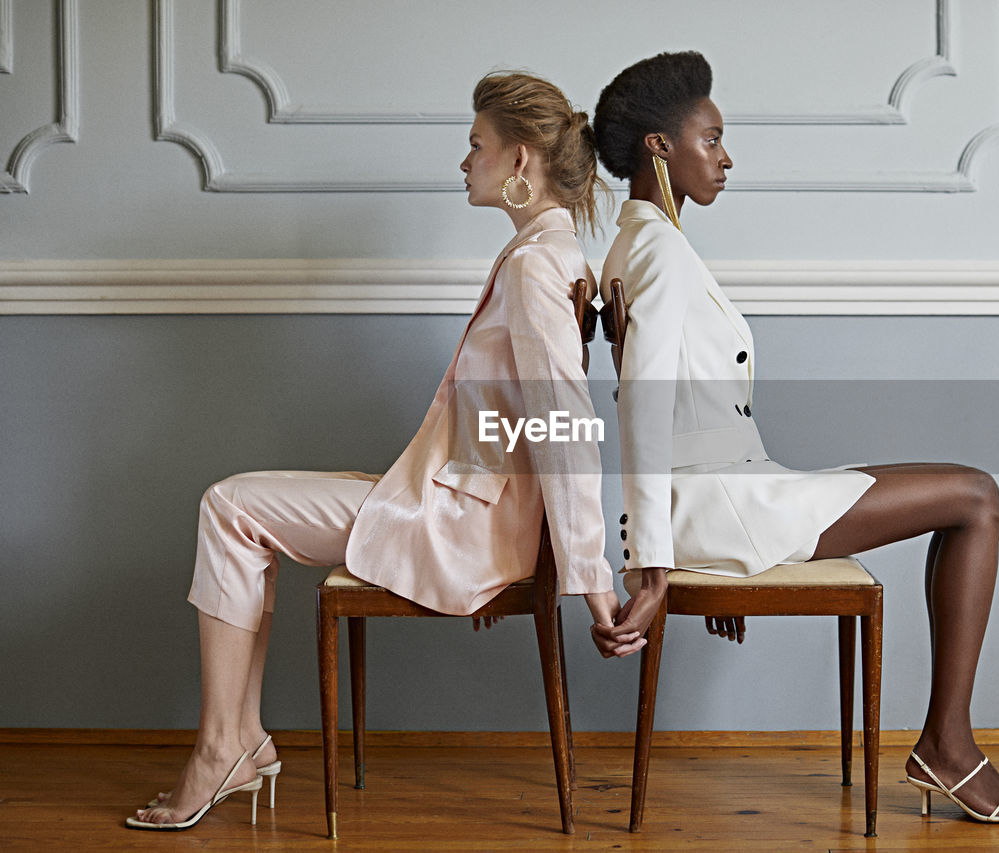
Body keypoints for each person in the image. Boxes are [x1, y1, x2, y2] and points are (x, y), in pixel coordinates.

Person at [127, 71, 640, 831]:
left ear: (520, 161)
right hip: (463, 505)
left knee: (229, 505)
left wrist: (589, 580)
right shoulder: (547, 253)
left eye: (476, 146)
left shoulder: (536, 267)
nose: (464, 162)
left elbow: (562, 426)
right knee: (242, 508)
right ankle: (231, 741)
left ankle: (223, 747)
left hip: (460, 522)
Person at [590, 51, 999, 824]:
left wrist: (689, 548)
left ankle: (948, 740)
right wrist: (655, 563)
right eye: (712, 138)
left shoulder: (639, 244)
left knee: (963, 493)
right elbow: (642, 410)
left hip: (723, 500)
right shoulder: (660, 251)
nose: (726, 157)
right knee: (977, 496)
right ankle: (949, 745)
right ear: (660, 147)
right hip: (721, 506)